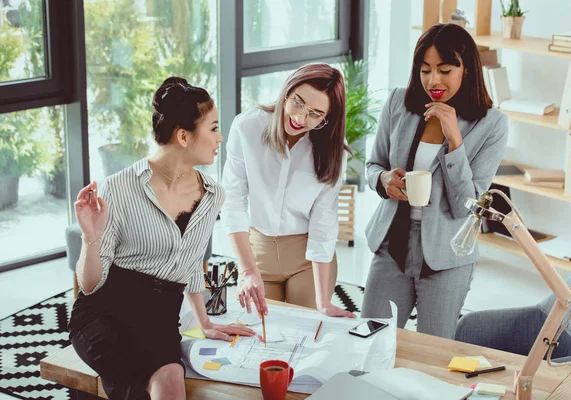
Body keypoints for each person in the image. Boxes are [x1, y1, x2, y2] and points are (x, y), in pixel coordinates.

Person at [69, 77, 255, 400]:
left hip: (160, 317)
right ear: (184, 136)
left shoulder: (213, 195)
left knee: (170, 385)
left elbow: (192, 262)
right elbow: (89, 286)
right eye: (213, 128)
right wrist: (91, 237)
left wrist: (206, 322)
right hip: (105, 314)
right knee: (137, 386)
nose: (220, 137)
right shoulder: (119, 188)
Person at [361, 23, 509, 339]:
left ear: (466, 69)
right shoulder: (398, 103)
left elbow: (467, 206)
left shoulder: (492, 125)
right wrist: (384, 179)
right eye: (425, 70)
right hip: (392, 246)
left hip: (447, 257)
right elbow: (373, 165)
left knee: (432, 356)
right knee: (370, 342)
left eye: (444, 70)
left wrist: (455, 139)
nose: (433, 80)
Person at [221, 63, 355, 319]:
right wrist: (248, 270)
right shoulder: (247, 127)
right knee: (259, 336)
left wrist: (323, 301)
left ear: (328, 118)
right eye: (298, 103)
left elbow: (323, 220)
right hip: (257, 252)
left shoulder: (333, 149)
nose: (300, 118)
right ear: (287, 91)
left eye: (316, 114)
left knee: (306, 334)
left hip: (306, 258)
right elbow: (233, 201)